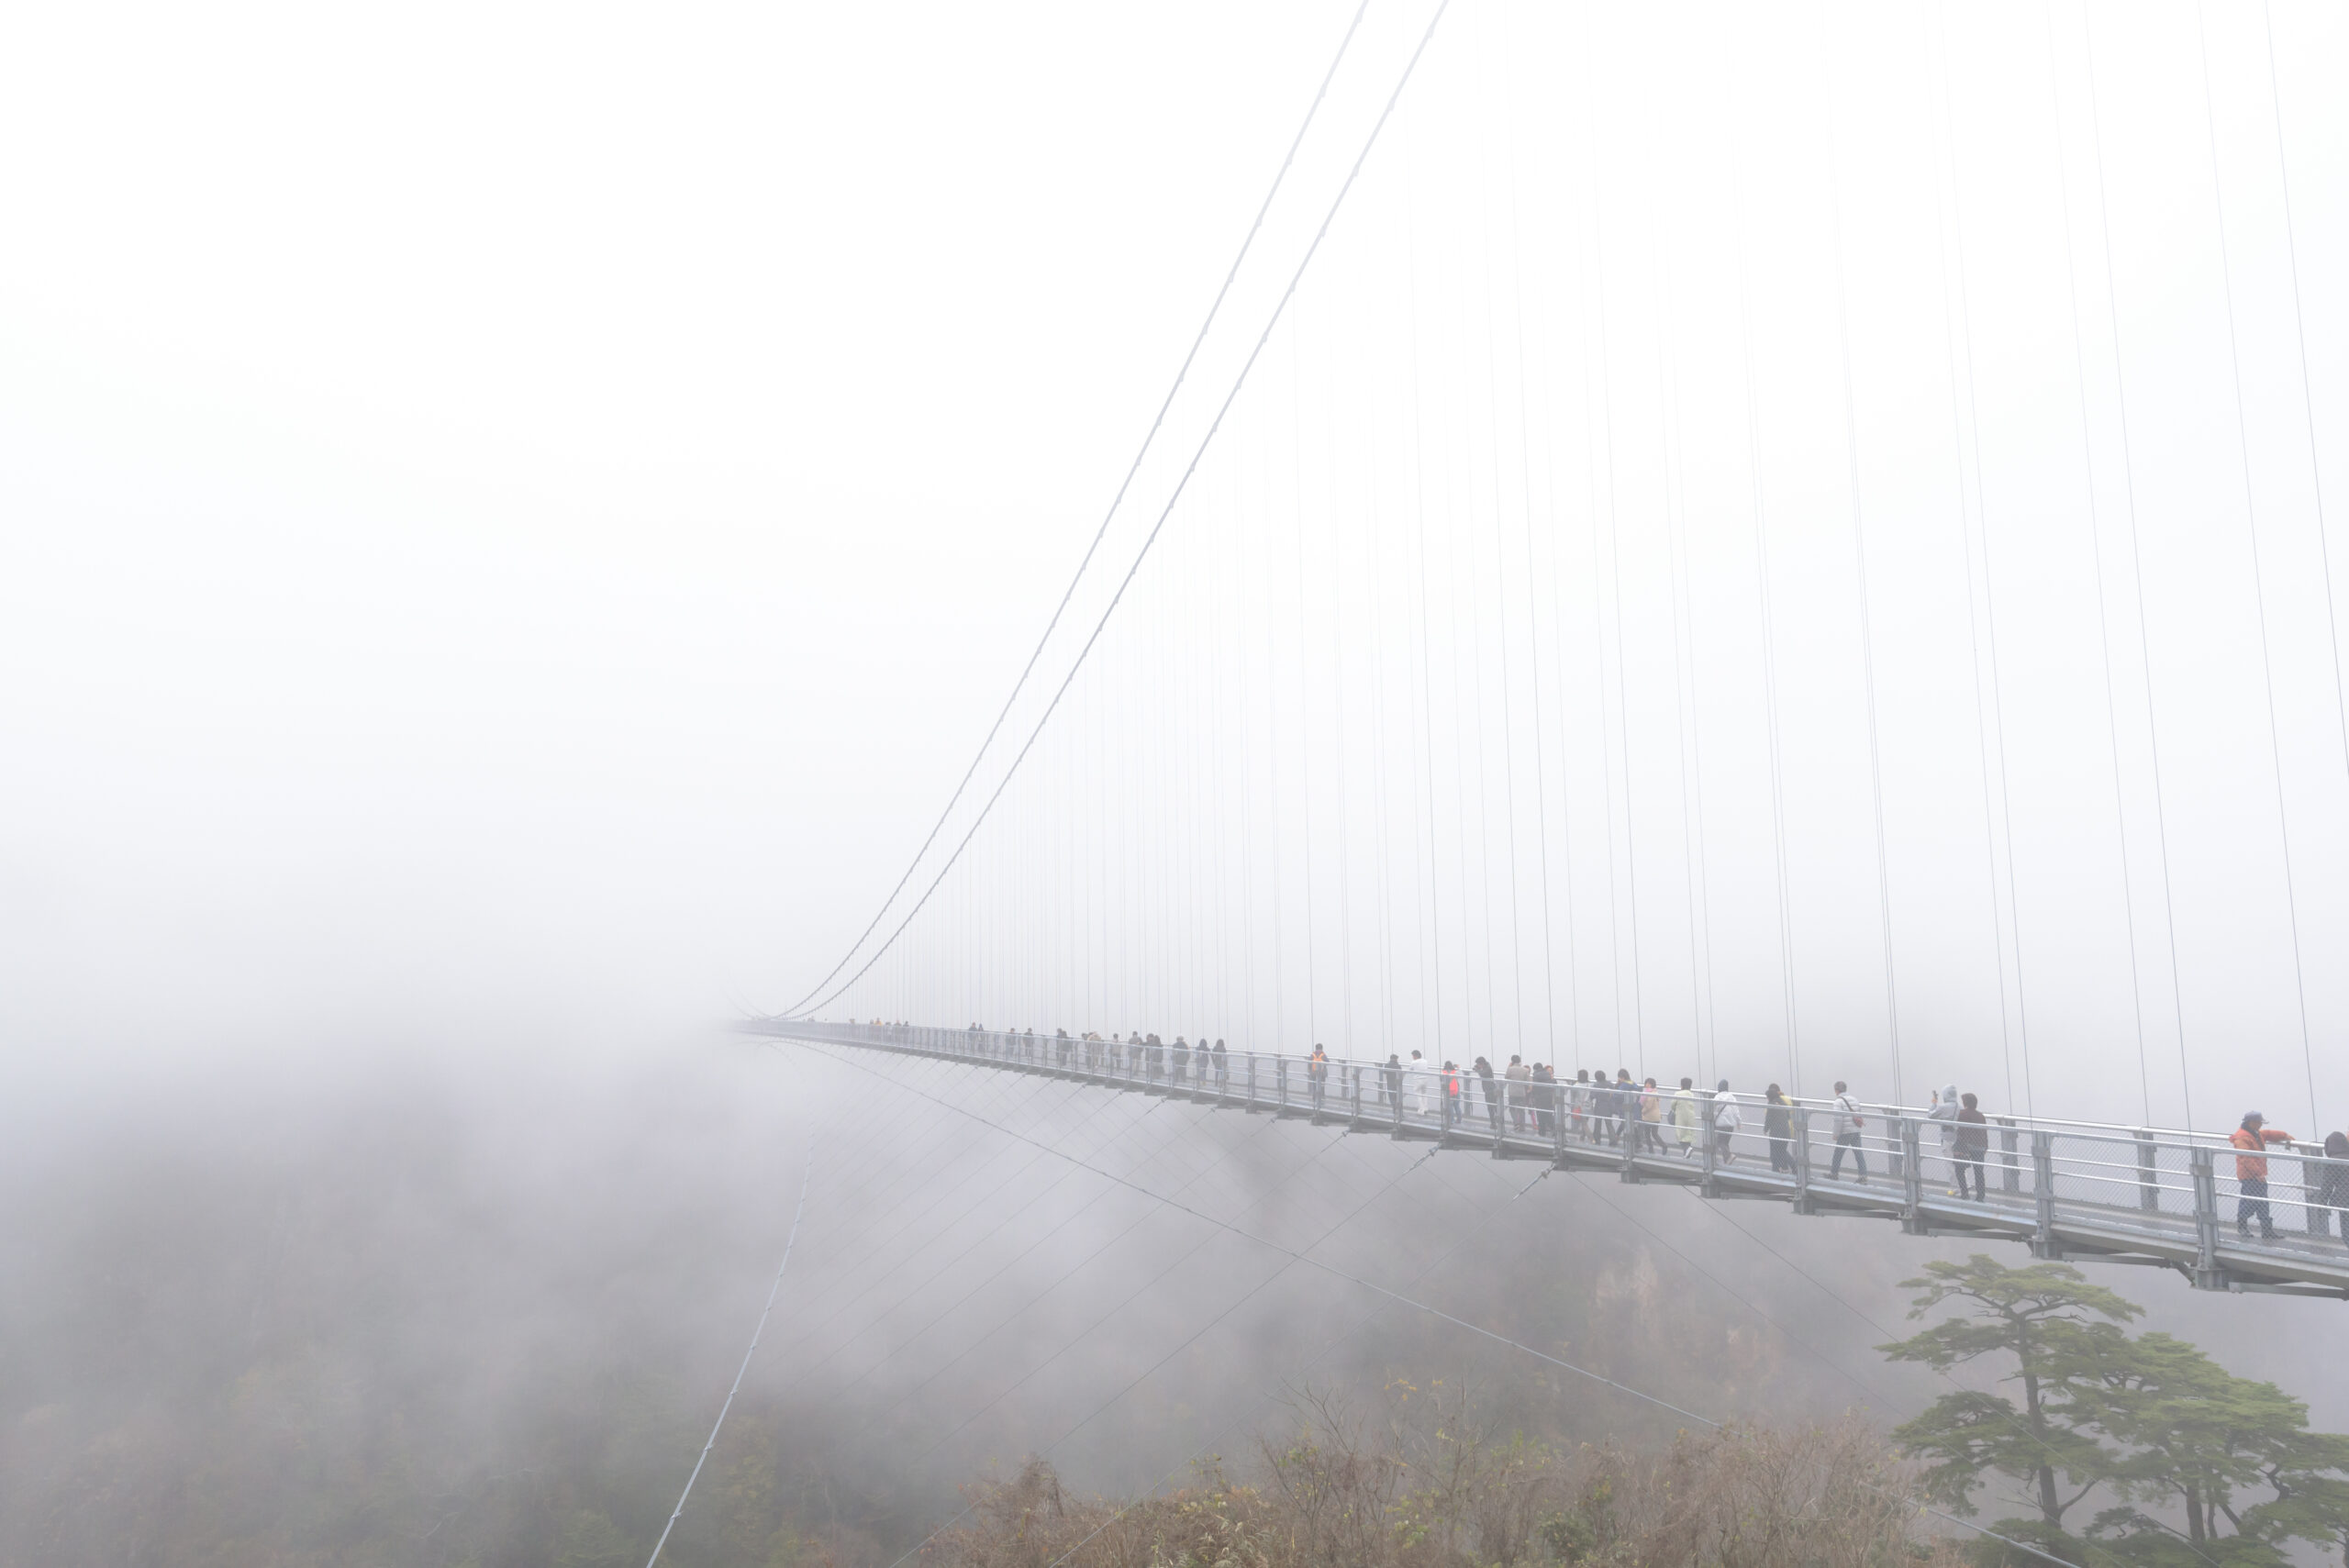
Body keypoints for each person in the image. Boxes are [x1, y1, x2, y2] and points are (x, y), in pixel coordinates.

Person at [2232, 1112, 2294, 1240]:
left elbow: (2269, 1134)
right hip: (2249, 1176)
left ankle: (2266, 1231)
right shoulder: (2242, 1137)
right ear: (2252, 1123)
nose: (2261, 1125)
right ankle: (2243, 1227)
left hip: (2257, 1175)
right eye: (2259, 1122)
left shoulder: (2255, 1133)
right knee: (2248, 1202)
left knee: (2262, 1203)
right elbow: (2245, 1158)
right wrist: (2258, 1173)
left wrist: (2284, 1135)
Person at [1954, 1092, 1989, 1199]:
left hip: (1966, 1146)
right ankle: (1980, 1196)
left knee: (1959, 1169)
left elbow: (1959, 1130)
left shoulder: (1962, 1114)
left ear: (1965, 1103)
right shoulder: (1981, 1116)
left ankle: (1964, 1193)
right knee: (1979, 1171)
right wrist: (1985, 1146)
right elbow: (1984, 1132)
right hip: (1980, 1146)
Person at [1830, 1081, 1867, 1182]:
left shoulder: (1838, 1102)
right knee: (1859, 1154)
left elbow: (1838, 1119)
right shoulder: (1855, 1099)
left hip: (1845, 1132)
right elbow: (1859, 1114)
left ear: (1836, 1090)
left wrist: (1836, 1134)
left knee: (1838, 1154)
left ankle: (1834, 1174)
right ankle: (1863, 1176)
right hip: (1856, 1131)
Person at [2316, 1130, 2349, 1243]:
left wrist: (2321, 1204)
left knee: (2347, 1233)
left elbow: (2327, 1186)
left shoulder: (2333, 1162)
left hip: (2345, 1201)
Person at [1928, 1084, 1960, 1194]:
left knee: (1950, 1164)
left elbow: (1930, 1115)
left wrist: (1934, 1101)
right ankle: (1966, 1184)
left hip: (1947, 1139)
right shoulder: (1959, 1107)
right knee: (1960, 1162)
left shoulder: (1943, 1107)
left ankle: (1955, 1188)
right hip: (1958, 1138)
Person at [1764, 1084, 1794, 1173]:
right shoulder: (1783, 1102)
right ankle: (1785, 1169)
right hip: (1786, 1132)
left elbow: (1768, 1119)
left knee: (1775, 1154)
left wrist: (1765, 1129)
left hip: (1776, 1133)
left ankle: (1783, 1169)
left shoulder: (1771, 1105)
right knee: (1782, 1152)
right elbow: (1788, 1116)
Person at [1712, 1080, 1742, 1163]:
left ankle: (1729, 1156)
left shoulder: (1717, 1097)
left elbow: (1714, 1111)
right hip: (1730, 1125)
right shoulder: (1732, 1097)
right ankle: (1727, 1161)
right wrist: (1739, 1122)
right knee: (1725, 1142)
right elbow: (1736, 1111)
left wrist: (1713, 1120)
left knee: (1720, 1142)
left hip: (1721, 1124)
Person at [1672, 1077, 1699, 1157]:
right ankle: (1687, 1155)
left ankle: (1687, 1149)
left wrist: (1675, 1109)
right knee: (1688, 1135)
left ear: (1682, 1085)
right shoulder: (1691, 1094)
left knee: (1680, 1135)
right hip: (1690, 1117)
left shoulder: (1678, 1094)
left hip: (1681, 1117)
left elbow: (1673, 1105)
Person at [1506, 1054, 1531, 1130]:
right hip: (1521, 1093)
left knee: (1512, 1109)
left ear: (1512, 1061)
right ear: (1520, 1061)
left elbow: (1506, 1077)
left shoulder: (1510, 1069)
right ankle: (1522, 1127)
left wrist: (1509, 1067)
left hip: (1512, 1093)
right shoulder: (1525, 1070)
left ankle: (1516, 1123)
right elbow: (1528, 1082)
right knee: (1521, 1110)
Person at [1475, 1057, 1499, 1131]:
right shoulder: (1485, 1066)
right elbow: (1480, 1071)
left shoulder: (1488, 1068)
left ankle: (1497, 1124)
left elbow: (1483, 1074)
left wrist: (1478, 1070)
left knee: (1493, 1108)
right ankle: (1494, 1124)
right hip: (1488, 1090)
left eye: (1478, 1064)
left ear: (1482, 1063)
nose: (1478, 1066)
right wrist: (1478, 1068)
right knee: (1492, 1108)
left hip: (1491, 1091)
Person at [1641, 1078, 1665, 1151]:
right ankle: (1664, 1146)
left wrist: (1642, 1112)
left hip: (1649, 1117)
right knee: (1654, 1134)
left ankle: (1651, 1149)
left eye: (1647, 1083)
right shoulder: (1655, 1092)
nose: (1646, 1085)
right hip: (1656, 1117)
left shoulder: (1649, 1094)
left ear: (1650, 1084)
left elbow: (1648, 1106)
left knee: (1647, 1134)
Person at [1307, 1044, 1330, 1112]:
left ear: (1316, 1048)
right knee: (1322, 1085)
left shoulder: (1313, 1055)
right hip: (1322, 1074)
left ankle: (1314, 1098)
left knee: (1314, 1085)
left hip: (1314, 1073)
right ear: (1322, 1048)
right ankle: (1322, 1098)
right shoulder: (1323, 1055)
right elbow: (1327, 1062)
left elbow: (1309, 1063)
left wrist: (1310, 1070)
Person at [1410, 1050, 1432, 1116]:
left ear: (1416, 1056)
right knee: (1424, 1094)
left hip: (1418, 1080)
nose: (1412, 1057)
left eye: (1413, 1056)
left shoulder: (1414, 1062)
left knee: (1418, 1095)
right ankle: (1426, 1108)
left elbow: (1410, 1069)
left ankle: (1421, 1110)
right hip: (1425, 1079)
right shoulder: (1425, 1061)